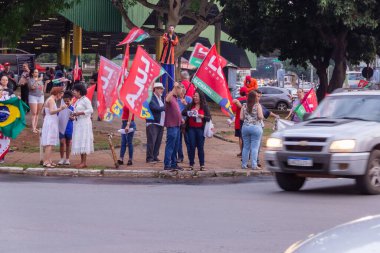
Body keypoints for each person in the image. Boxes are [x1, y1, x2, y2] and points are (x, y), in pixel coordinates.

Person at [182, 90, 211, 171]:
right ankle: (191, 164)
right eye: (194, 96)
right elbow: (183, 113)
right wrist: (190, 112)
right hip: (191, 128)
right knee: (191, 146)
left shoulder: (204, 106)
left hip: (201, 129)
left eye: (196, 96)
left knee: (200, 147)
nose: (195, 98)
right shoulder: (190, 105)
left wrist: (202, 116)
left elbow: (209, 118)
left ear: (200, 97)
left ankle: (202, 165)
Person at [41, 87, 66, 168]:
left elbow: (43, 112)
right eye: (61, 94)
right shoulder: (51, 100)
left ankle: (49, 160)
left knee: (51, 143)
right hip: (51, 121)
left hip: (50, 120)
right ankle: (46, 161)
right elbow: (51, 111)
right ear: (57, 93)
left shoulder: (50, 99)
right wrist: (60, 109)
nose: (61, 96)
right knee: (49, 143)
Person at [71, 83, 94, 168]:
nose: (73, 92)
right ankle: (82, 162)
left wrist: (79, 113)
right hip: (78, 123)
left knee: (83, 141)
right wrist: (73, 115)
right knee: (80, 141)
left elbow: (91, 110)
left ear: (79, 91)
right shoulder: (78, 100)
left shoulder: (85, 100)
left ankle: (84, 162)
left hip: (84, 124)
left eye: (74, 91)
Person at [240, 91, 264, 170]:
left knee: (246, 147)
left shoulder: (244, 106)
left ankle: (244, 164)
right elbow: (260, 116)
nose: (258, 98)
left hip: (245, 127)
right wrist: (261, 117)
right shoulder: (257, 106)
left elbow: (241, 118)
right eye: (257, 96)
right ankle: (254, 165)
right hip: (256, 127)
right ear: (254, 97)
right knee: (254, 148)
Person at [164, 82, 183, 170]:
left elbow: (176, 111)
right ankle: (167, 164)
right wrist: (173, 89)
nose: (182, 92)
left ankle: (174, 163)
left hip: (177, 125)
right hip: (172, 126)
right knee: (170, 146)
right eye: (181, 89)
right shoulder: (170, 96)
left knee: (175, 146)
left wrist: (181, 119)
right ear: (177, 88)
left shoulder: (175, 98)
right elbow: (167, 100)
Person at [146, 82, 165, 164]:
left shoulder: (160, 98)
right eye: (160, 88)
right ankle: (149, 158)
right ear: (156, 89)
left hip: (160, 123)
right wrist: (165, 107)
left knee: (158, 141)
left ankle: (155, 156)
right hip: (153, 122)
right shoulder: (151, 98)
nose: (162, 90)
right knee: (152, 141)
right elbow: (155, 108)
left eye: (162, 89)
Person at [160, 25, 179, 93]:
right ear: (168, 29)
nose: (171, 29)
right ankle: (162, 92)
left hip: (171, 60)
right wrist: (170, 40)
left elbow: (175, 43)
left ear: (174, 29)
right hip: (164, 59)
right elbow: (164, 40)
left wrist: (171, 41)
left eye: (172, 28)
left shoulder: (175, 36)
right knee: (163, 77)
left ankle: (171, 92)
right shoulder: (165, 34)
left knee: (171, 77)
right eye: (170, 28)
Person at [58, 91, 74, 166]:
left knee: (68, 143)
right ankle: (61, 158)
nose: (66, 102)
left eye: (68, 101)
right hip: (61, 127)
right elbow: (57, 116)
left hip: (69, 128)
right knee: (61, 143)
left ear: (71, 100)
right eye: (65, 101)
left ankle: (67, 159)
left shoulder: (73, 108)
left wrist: (72, 117)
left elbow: (75, 117)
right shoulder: (61, 108)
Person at [177, 84, 192, 163]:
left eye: (183, 91)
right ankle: (180, 156)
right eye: (180, 91)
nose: (182, 93)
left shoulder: (189, 99)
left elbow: (193, 110)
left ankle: (190, 157)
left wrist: (186, 104)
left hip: (187, 123)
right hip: (178, 122)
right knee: (178, 141)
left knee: (188, 140)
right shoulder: (176, 99)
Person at [28, 68, 46, 133]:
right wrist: (36, 81)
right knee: (34, 113)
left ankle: (35, 127)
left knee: (37, 113)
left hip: (41, 96)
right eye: (35, 72)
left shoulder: (41, 81)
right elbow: (32, 87)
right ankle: (33, 128)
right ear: (32, 73)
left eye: (37, 72)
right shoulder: (30, 80)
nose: (37, 73)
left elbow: (43, 90)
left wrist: (46, 83)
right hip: (33, 97)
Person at [232, 86, 248, 157]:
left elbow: (233, 109)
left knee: (240, 137)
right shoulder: (248, 100)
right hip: (247, 120)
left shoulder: (238, 100)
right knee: (246, 137)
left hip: (239, 120)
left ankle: (242, 152)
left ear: (240, 92)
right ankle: (246, 152)